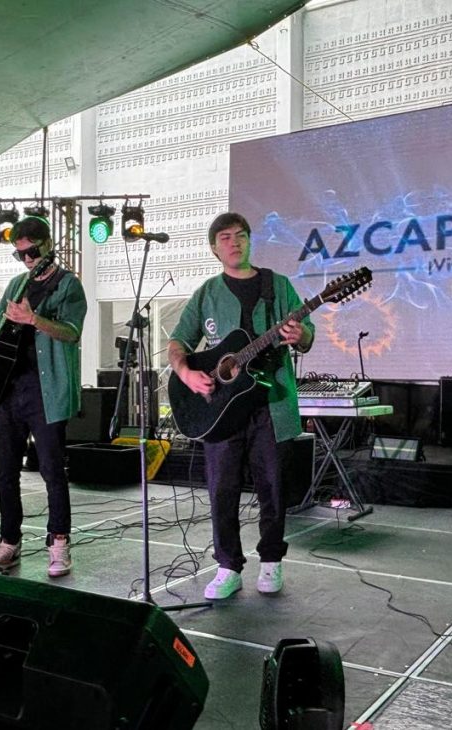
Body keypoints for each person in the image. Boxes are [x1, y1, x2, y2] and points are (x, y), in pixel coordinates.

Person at [168, 212, 314, 600]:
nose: (235, 242)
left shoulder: (277, 286)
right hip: (220, 411)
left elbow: (307, 336)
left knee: (273, 489)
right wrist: (186, 374)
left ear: (250, 241)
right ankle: (229, 566)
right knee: (222, 490)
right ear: (215, 249)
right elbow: (179, 342)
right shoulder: (207, 293)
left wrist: (300, 336)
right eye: (226, 237)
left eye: (241, 235)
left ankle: (271, 562)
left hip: (271, 402)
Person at [0, 217, 87, 577]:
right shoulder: (17, 283)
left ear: (48, 244)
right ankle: (8, 543)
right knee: (5, 472)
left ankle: (59, 542)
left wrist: (34, 319)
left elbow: (71, 333)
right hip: (8, 390)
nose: (28, 259)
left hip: (46, 392)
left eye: (32, 251)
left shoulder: (68, 285)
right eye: (20, 254)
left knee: (52, 471)